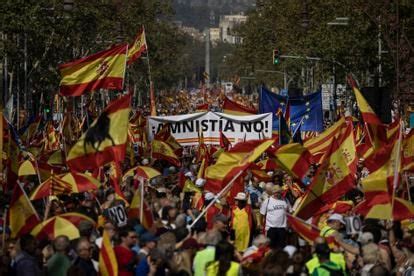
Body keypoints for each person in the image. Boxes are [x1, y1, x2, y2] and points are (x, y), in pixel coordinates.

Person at [260, 185, 288, 249]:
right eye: (275, 192)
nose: (277, 194)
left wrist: (287, 225)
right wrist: (261, 224)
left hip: (282, 229)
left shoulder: (284, 201)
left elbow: (289, 213)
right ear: (273, 192)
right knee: (270, 248)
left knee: (281, 248)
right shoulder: (267, 201)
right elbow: (262, 214)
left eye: (278, 192)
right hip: (271, 228)